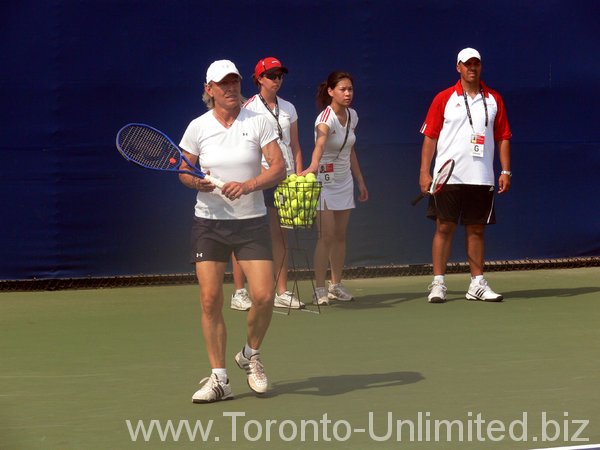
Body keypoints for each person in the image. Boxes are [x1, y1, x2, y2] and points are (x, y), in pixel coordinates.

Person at [178, 59, 286, 403]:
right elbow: (183, 169)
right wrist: (196, 181)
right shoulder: (197, 127)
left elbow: (279, 168)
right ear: (209, 90)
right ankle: (220, 378)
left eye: (235, 82)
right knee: (210, 299)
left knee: (265, 296)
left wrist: (250, 184)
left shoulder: (259, 122)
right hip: (208, 224)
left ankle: (250, 354)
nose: (230, 88)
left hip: (251, 223)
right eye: (222, 84)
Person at [418, 47, 512, 303]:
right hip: (447, 178)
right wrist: (424, 172)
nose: (472, 68)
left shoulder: (494, 99)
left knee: (476, 230)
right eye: (467, 64)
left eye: (476, 64)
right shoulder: (444, 98)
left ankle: (477, 284)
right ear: (458, 67)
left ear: (480, 67)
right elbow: (430, 137)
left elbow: (503, 136)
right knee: (444, 227)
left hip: (481, 178)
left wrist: (505, 170)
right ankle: (438, 284)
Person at [230, 56, 305, 311]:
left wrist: (298, 173)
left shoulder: (289, 108)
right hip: (256, 180)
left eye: (280, 76)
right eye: (271, 76)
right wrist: (260, 172)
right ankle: (240, 292)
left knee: (280, 234)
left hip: (284, 179)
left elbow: (294, 145)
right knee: (244, 233)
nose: (277, 80)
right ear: (259, 79)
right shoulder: (248, 108)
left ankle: (281, 291)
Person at [300, 71, 368, 305]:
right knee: (326, 236)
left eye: (350, 89)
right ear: (331, 91)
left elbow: (350, 150)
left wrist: (359, 180)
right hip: (323, 184)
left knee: (340, 237)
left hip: (344, 182)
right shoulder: (324, 118)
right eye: (342, 89)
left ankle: (335, 286)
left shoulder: (353, 116)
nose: (348, 93)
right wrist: (313, 165)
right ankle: (319, 289)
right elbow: (320, 144)